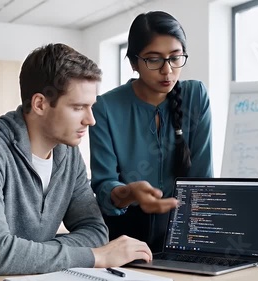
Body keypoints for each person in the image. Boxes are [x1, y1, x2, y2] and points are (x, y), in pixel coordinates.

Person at [0, 43, 152, 275]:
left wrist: (29, 255)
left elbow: (95, 231)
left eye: (91, 107)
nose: (90, 120)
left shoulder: (68, 154)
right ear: (40, 104)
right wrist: (94, 256)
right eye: (78, 107)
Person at [89, 11, 213, 252]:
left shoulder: (195, 96)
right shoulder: (105, 107)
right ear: (134, 62)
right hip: (124, 231)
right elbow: (104, 186)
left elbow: (202, 179)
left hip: (183, 227)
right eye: (154, 60)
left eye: (175, 58)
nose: (167, 71)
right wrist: (127, 193)